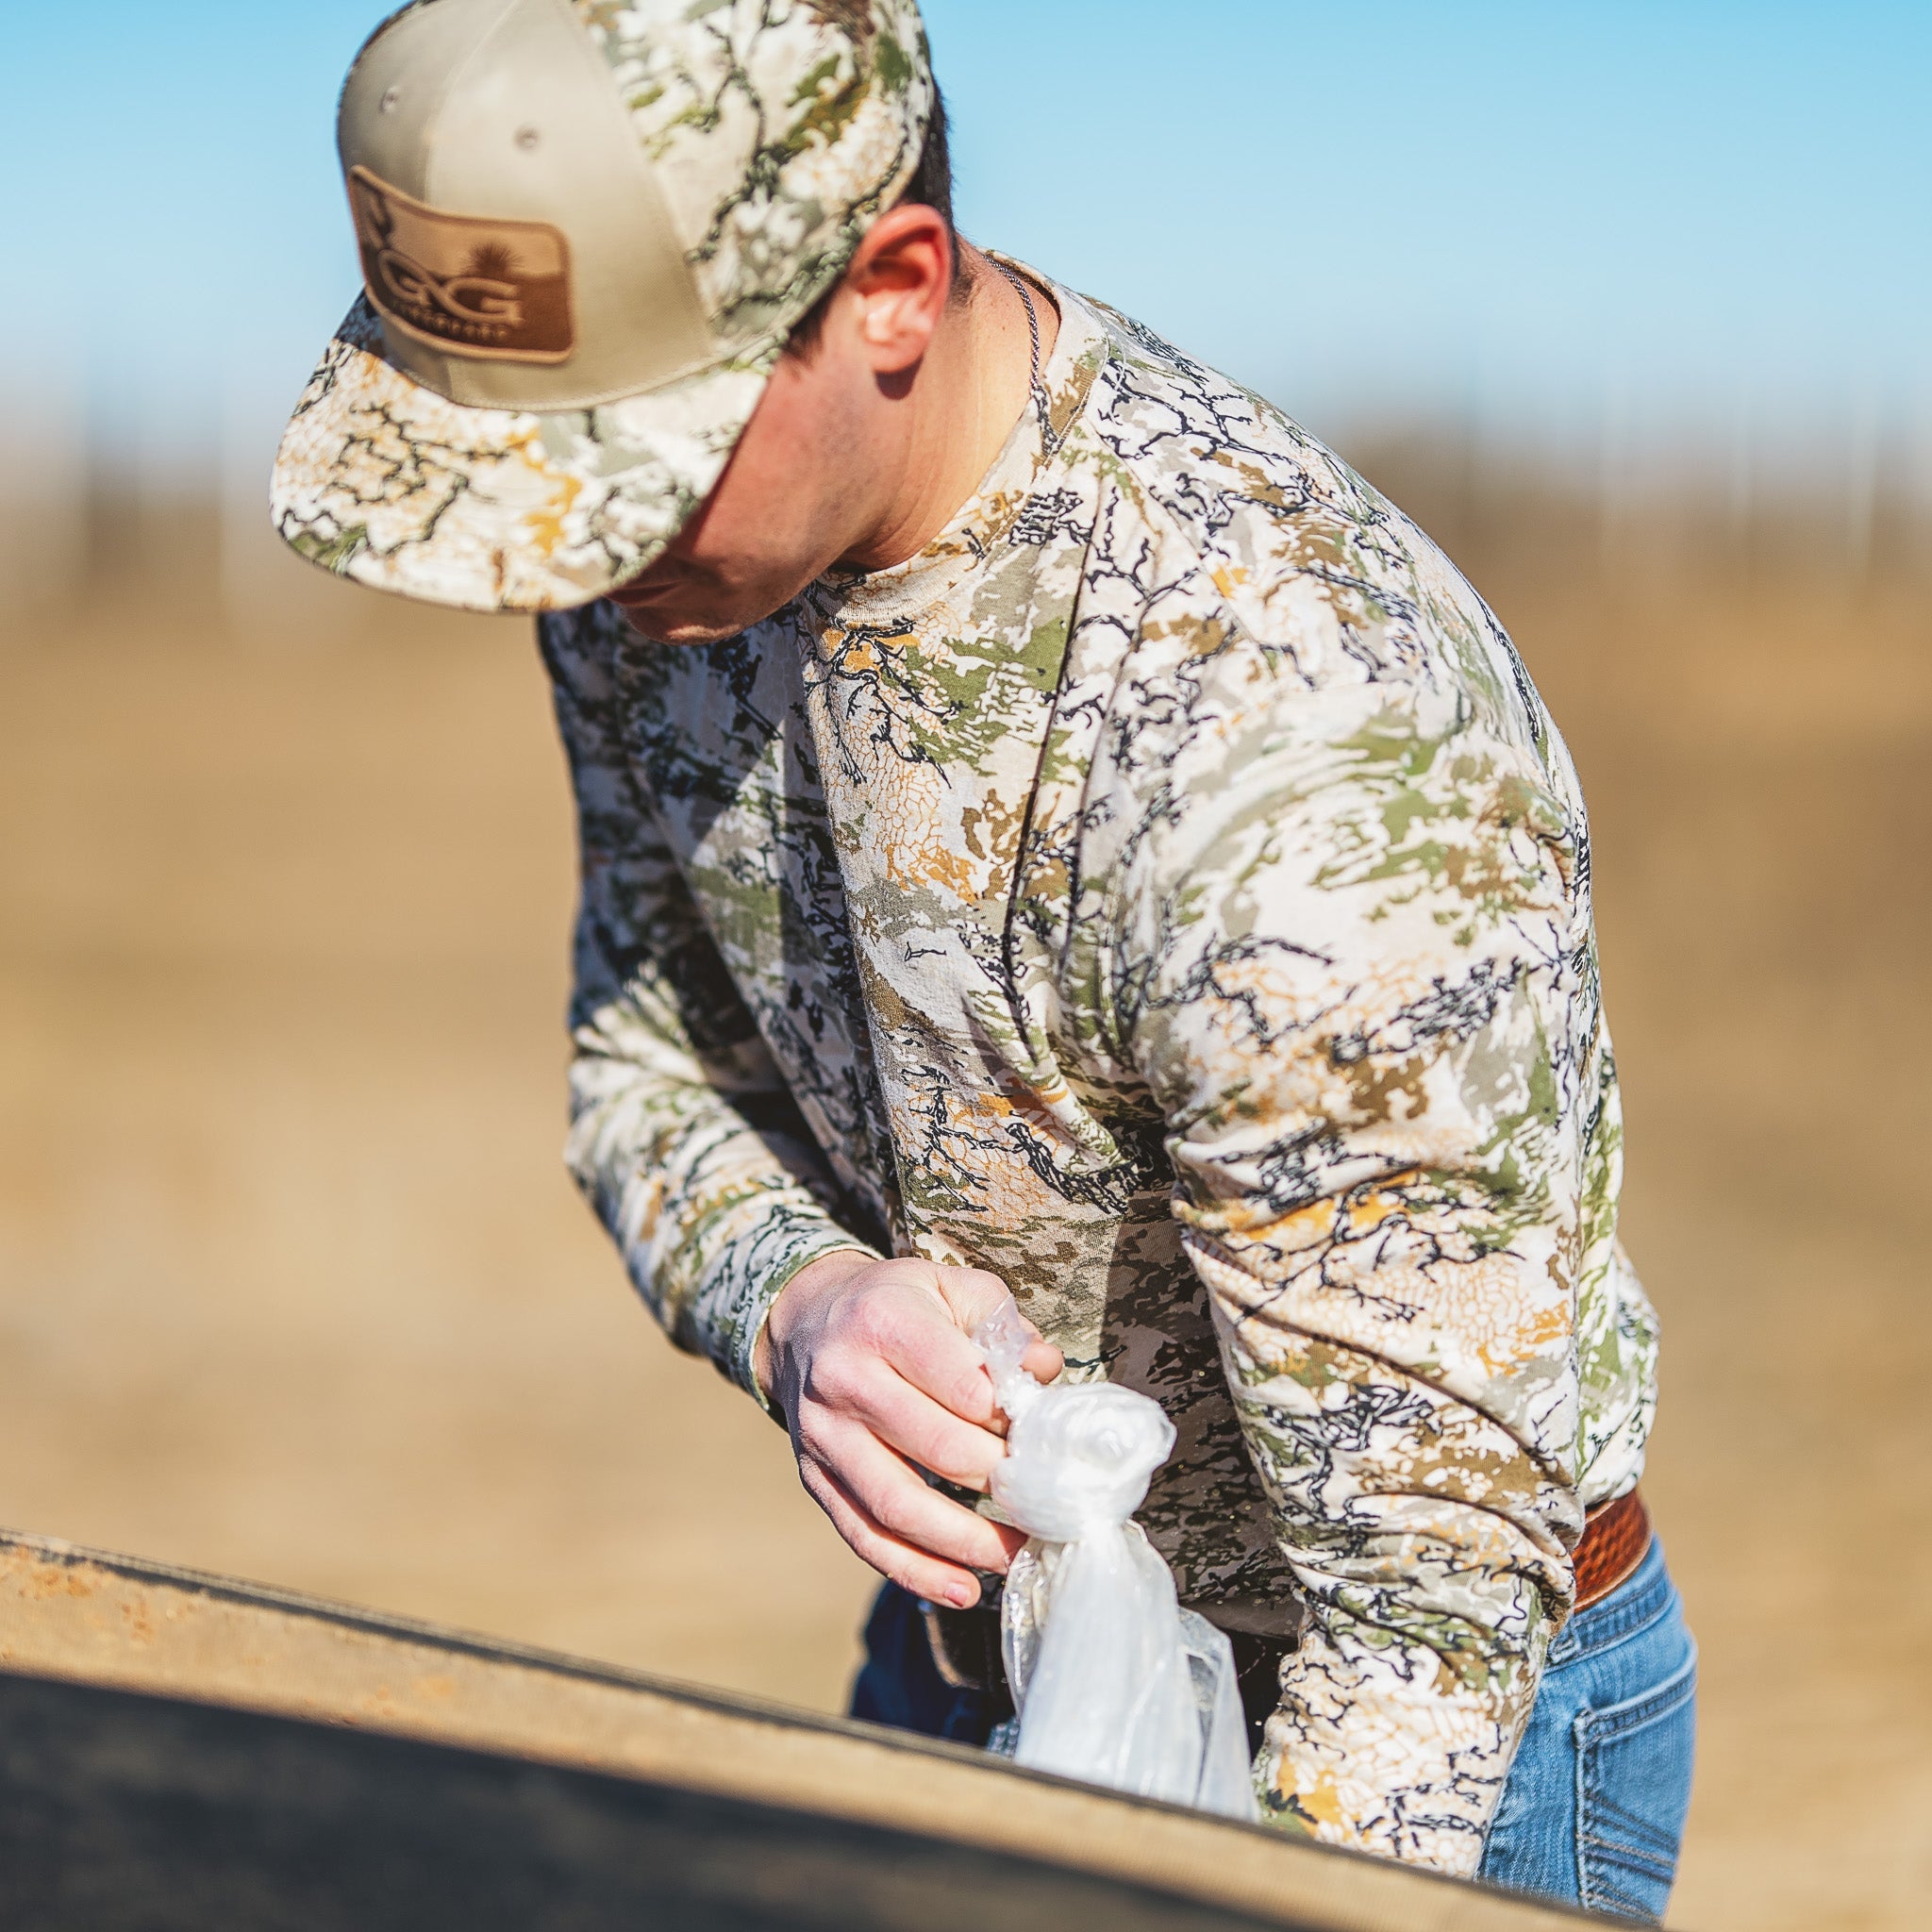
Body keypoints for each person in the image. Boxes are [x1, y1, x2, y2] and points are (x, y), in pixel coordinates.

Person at [272, 0, 1695, 1918]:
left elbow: (1422, 1619)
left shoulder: (1288, 737)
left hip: (1414, 1739)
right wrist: (798, 1303)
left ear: (892, 289)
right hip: (977, 1665)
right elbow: (645, 1065)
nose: (568, 561)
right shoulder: (649, 574)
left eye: (623, 468)